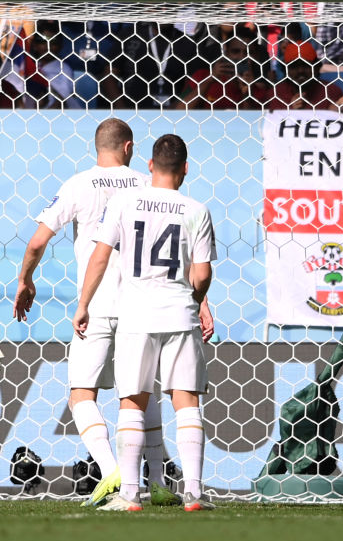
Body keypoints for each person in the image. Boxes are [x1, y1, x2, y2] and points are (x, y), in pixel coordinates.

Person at [13, 119, 206, 507]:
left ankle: (110, 469)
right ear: (131, 149)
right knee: (141, 393)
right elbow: (185, 252)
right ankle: (157, 480)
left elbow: (36, 243)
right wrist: (200, 301)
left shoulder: (77, 184)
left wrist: (25, 279)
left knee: (82, 394)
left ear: (97, 146)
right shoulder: (144, 185)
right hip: (143, 305)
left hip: (99, 303)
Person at [73, 133, 217, 512]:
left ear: (150, 165)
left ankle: (131, 494)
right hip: (180, 313)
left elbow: (100, 257)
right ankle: (195, 494)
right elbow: (201, 275)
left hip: (135, 315)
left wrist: (84, 303)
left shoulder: (124, 202)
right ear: (185, 168)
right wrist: (196, 301)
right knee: (186, 401)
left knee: (133, 402)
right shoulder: (196, 210)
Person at [267, 40, 343, 110]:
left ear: (316, 67)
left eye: (306, 65)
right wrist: (290, 110)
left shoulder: (331, 92)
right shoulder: (275, 95)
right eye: (294, 66)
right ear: (286, 69)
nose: (300, 70)